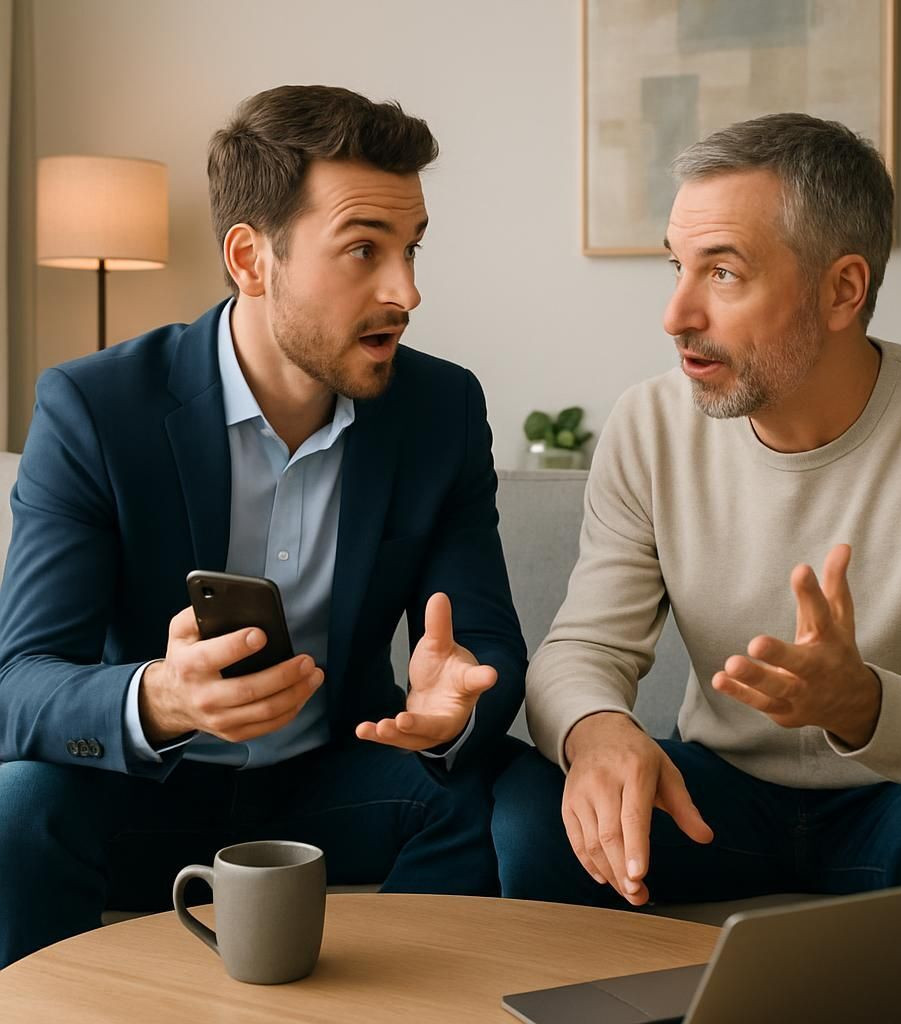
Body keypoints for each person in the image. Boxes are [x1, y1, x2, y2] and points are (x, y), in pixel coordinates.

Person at [492, 112, 901, 1018]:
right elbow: (582, 646)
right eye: (676, 266)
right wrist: (595, 733)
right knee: (529, 818)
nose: (676, 314)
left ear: (842, 289)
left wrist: (864, 704)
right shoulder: (649, 425)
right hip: (718, 799)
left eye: (723, 273)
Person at [0, 84, 526, 968]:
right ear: (252, 258)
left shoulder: (439, 409)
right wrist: (159, 699)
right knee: (17, 810)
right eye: (364, 249)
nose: (407, 289)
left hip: (332, 781)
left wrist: (453, 709)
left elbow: (485, 646)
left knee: (499, 798)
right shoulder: (96, 407)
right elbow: (18, 683)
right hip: (137, 794)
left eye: (410, 248)